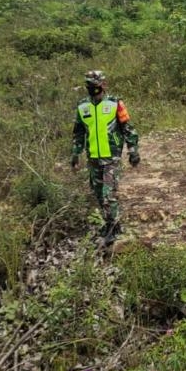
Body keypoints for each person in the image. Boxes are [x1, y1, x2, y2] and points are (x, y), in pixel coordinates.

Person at [71, 70, 140, 244]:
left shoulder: (115, 104)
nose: (92, 88)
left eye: (95, 85)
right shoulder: (82, 106)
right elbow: (78, 132)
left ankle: (113, 226)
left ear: (103, 84)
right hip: (93, 157)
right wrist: (75, 153)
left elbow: (128, 128)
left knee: (109, 194)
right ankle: (109, 223)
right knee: (98, 193)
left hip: (112, 157)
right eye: (89, 85)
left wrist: (133, 151)